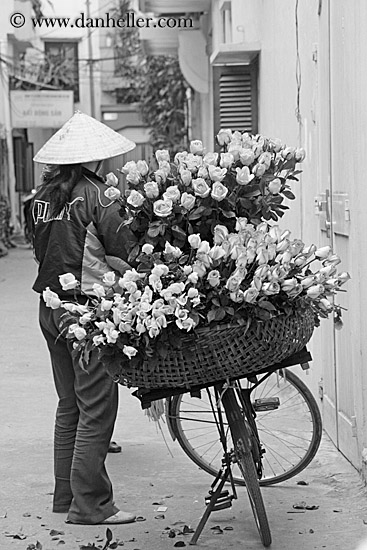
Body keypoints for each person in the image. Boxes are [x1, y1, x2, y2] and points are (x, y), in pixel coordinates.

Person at [31, 111, 136, 525]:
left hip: (50, 307)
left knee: (69, 405)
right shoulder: (100, 195)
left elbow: (43, 254)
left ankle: (65, 496)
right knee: (96, 407)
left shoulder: (40, 197)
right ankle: (91, 505)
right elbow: (124, 248)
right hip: (86, 313)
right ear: (98, 157)